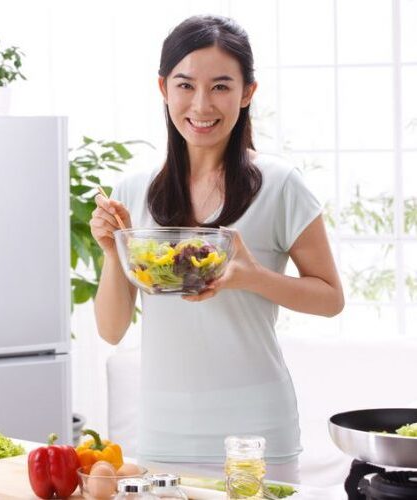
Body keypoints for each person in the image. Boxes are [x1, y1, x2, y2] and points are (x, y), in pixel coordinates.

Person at [90, 15, 344, 482]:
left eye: (221, 87)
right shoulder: (131, 190)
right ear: (164, 88)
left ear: (248, 92)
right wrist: (112, 250)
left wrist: (252, 277)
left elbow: (330, 298)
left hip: (256, 432)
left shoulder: (280, 184)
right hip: (163, 431)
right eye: (185, 85)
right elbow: (111, 329)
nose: (202, 105)